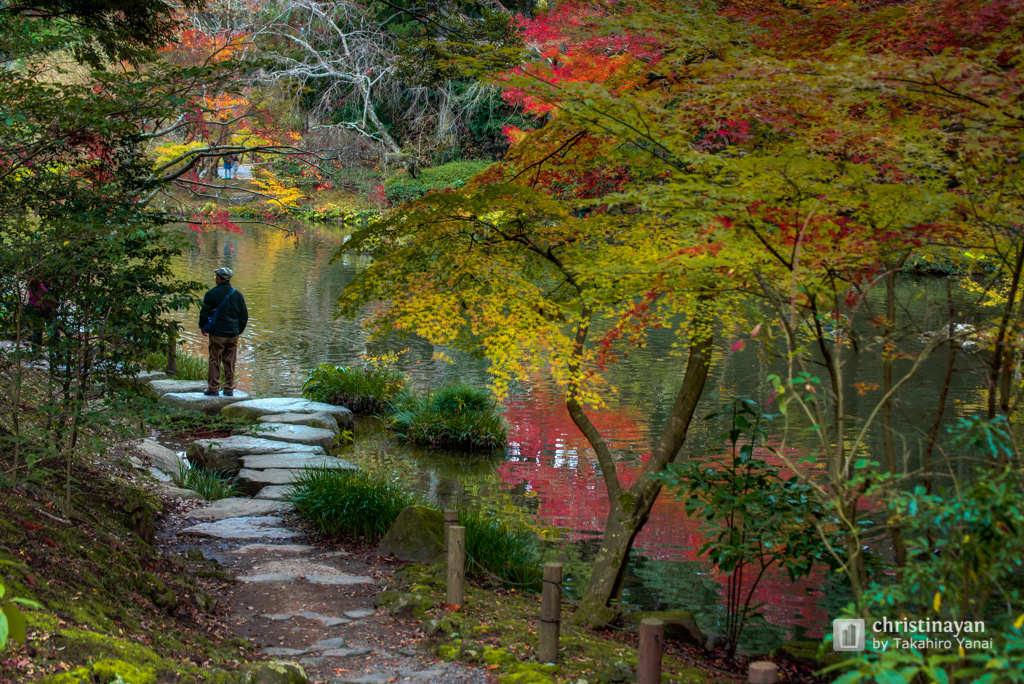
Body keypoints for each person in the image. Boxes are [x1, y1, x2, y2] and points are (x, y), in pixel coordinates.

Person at [198, 267, 248, 396]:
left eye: (216, 276)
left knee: (214, 359)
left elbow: (205, 312)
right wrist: (238, 330)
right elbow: (244, 316)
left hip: (217, 334)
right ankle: (229, 388)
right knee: (230, 361)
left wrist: (202, 326)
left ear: (219, 278)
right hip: (233, 334)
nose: (215, 278)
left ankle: (213, 388)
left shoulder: (211, 294)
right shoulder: (237, 295)